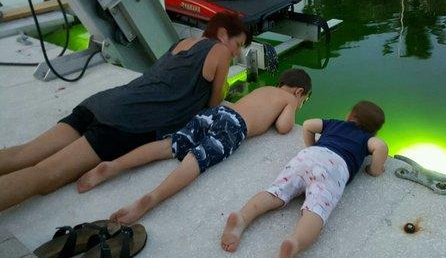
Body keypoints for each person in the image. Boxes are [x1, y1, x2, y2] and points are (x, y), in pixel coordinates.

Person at [0, 13, 250, 211]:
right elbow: (215, 102)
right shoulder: (219, 51)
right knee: (45, 175)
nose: (236, 52)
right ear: (223, 33)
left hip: (102, 103)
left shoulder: (181, 43)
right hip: (126, 122)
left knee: (24, 154)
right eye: (238, 44)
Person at [84, 69, 312, 225]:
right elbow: (284, 127)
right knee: (196, 160)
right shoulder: (290, 99)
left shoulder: (263, 90)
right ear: (299, 91)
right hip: (234, 127)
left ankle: (113, 166)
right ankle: (152, 199)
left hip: (218, 113)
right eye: (305, 101)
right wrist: (292, 107)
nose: (302, 105)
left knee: (169, 145)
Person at [221, 101, 388, 258]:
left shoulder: (334, 123)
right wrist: (374, 170)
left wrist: (311, 147)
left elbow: (308, 124)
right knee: (316, 209)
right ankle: (295, 243)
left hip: (308, 157)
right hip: (335, 168)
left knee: (276, 191)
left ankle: (242, 218)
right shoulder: (367, 139)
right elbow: (380, 147)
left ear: (350, 115)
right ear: (374, 130)